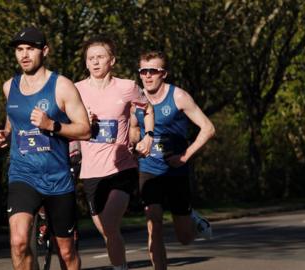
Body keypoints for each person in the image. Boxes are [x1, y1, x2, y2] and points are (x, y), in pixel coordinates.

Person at [0, 26, 90, 270]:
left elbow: (85, 130)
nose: (24, 55)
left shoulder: (62, 86)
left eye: (30, 49)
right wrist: (4, 135)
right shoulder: (9, 87)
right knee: (18, 242)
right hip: (23, 174)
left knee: (66, 253)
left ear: (44, 51)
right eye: (19, 50)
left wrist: (52, 125)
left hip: (57, 178)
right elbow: (13, 121)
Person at [75, 36, 154, 270]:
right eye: (91, 58)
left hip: (121, 167)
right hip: (90, 172)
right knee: (107, 232)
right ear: (86, 63)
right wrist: (80, 123)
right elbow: (64, 124)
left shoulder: (127, 87)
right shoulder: (75, 90)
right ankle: (121, 267)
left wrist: (149, 135)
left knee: (109, 223)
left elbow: (147, 108)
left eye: (100, 57)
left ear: (112, 60)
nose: (95, 62)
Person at [131, 51, 215, 270]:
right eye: (143, 71)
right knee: (154, 223)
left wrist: (186, 155)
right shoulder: (135, 100)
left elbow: (208, 128)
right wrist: (135, 144)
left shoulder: (178, 97)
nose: (148, 76)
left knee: (184, 238)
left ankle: (192, 218)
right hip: (149, 169)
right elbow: (133, 128)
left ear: (164, 73)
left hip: (176, 170)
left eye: (153, 71)